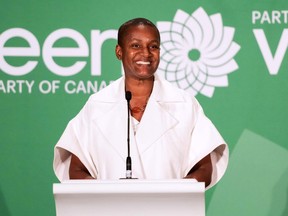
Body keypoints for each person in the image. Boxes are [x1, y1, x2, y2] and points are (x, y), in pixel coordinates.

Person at [53, 18, 229, 189]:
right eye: (136, 45)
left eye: (153, 46)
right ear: (119, 51)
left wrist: (175, 195)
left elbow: (205, 169)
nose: (146, 53)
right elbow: (75, 170)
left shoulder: (184, 104)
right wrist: (105, 195)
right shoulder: (97, 104)